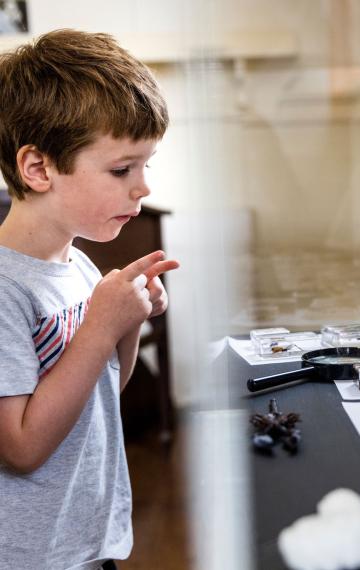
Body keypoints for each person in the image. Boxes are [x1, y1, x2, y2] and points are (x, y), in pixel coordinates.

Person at [0, 29, 179, 569]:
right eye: (122, 169)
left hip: (89, 539)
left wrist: (127, 323)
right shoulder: (6, 289)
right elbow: (22, 448)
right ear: (38, 168)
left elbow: (102, 391)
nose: (142, 187)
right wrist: (102, 324)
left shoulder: (76, 263)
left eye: (145, 166)